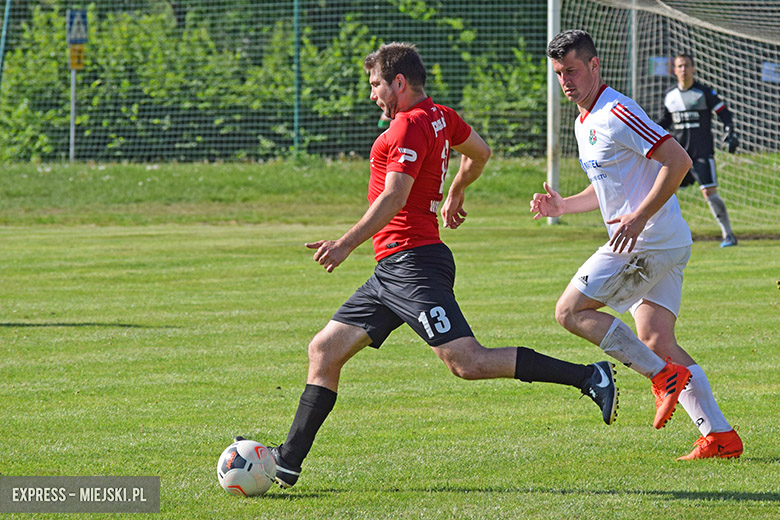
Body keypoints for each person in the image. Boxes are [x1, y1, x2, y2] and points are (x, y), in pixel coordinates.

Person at [249, 42, 619, 490]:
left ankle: (588, 376)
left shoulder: (405, 128)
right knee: (324, 350)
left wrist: (345, 244)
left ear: (399, 83)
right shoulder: (442, 116)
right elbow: (480, 152)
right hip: (393, 270)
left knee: (467, 362)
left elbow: (394, 196)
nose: (372, 96)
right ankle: (288, 461)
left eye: (375, 85)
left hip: (413, 265)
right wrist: (458, 188)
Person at [532, 30, 742, 460]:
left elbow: (678, 161)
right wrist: (563, 205)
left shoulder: (616, 110)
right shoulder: (583, 120)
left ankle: (663, 377)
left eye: (572, 70)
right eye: (558, 73)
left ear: (594, 66)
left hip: (646, 239)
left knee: (569, 311)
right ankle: (720, 437)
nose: (566, 81)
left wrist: (641, 216)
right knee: (655, 337)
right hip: (663, 239)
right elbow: (606, 188)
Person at [656, 53, 739, 248]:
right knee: (663, 192)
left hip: (702, 154)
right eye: (679, 66)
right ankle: (664, 236)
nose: (683, 70)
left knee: (709, 192)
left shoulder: (704, 92)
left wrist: (730, 131)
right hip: (678, 157)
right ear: (674, 70)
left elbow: (725, 114)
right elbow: (664, 122)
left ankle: (728, 235)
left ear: (693, 68)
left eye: (687, 66)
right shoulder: (670, 95)